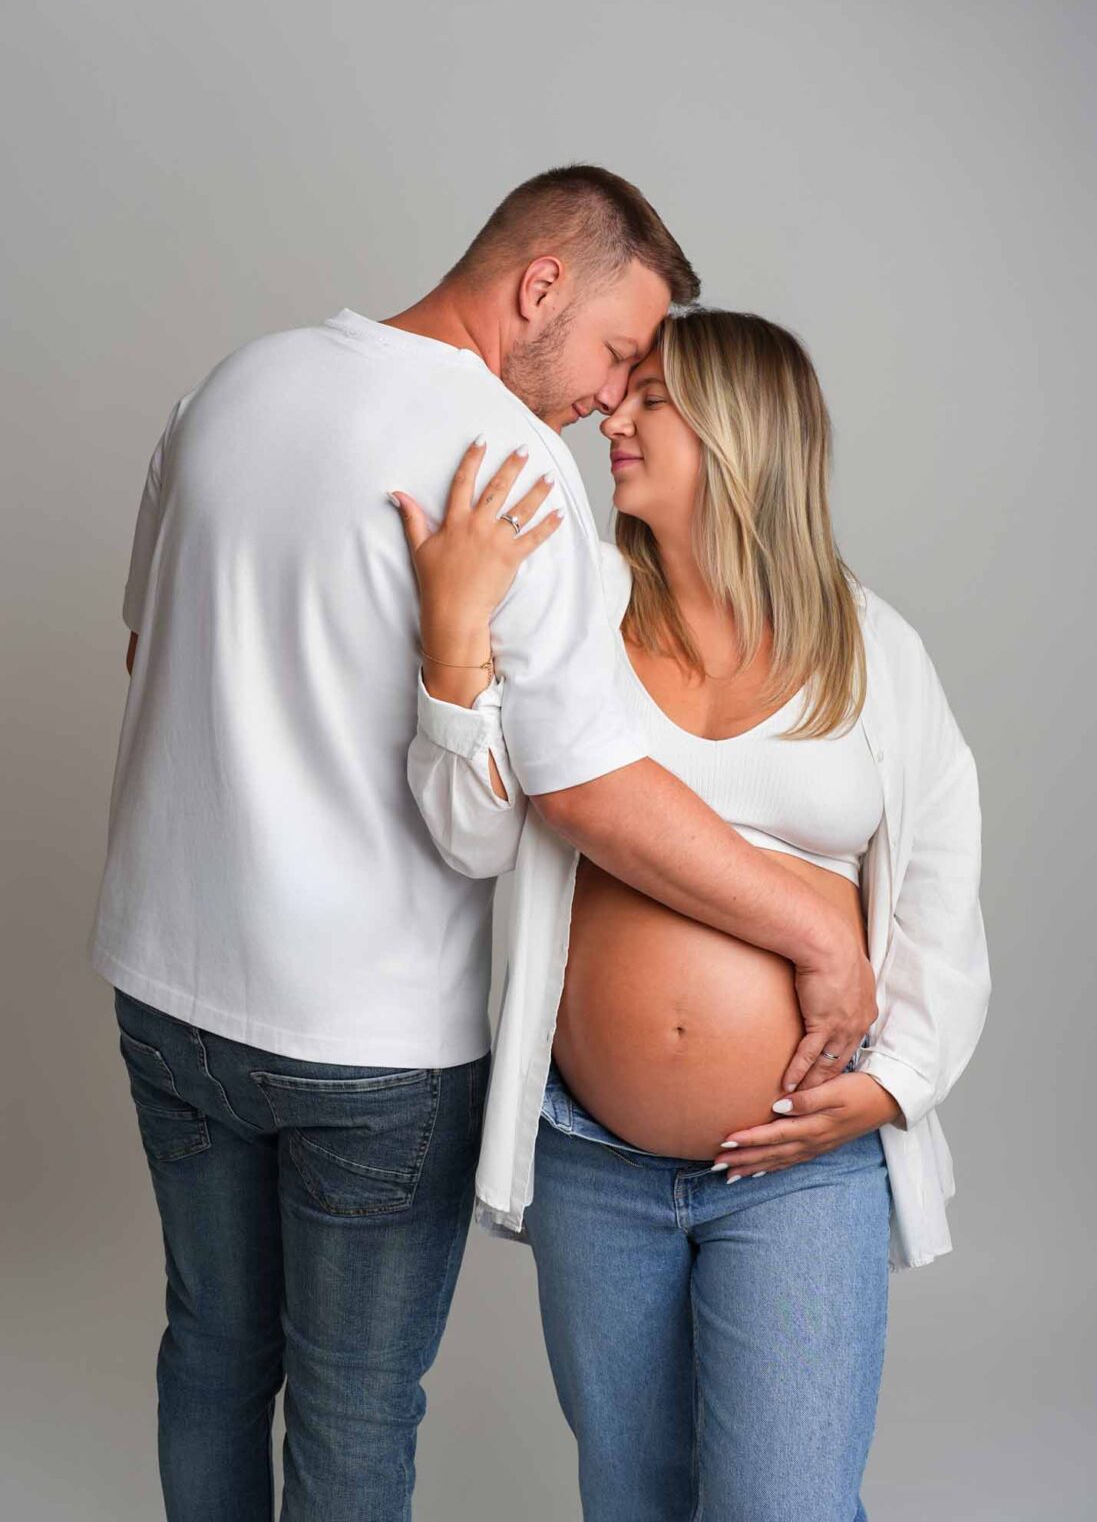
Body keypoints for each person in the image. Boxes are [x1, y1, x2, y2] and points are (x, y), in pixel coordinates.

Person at [89, 168, 881, 1522]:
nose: (609, 396)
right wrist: (813, 927)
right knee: (350, 1409)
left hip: (166, 995)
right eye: (619, 349)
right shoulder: (514, 477)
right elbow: (583, 792)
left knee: (211, 1355)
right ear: (539, 287)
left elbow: (145, 650)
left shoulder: (228, 389)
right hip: (374, 1049)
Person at [395, 308, 991, 1521]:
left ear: (740, 435)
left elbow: (939, 894)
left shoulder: (875, 653)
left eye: (651, 398)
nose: (611, 415)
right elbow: (471, 837)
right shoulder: (577, 617)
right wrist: (453, 654)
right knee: (632, 1501)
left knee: (782, 1506)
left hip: (798, 1168)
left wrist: (891, 1085)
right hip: (591, 1163)